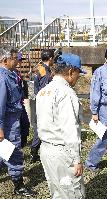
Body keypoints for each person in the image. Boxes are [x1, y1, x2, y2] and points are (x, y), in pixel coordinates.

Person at [36, 53, 86, 198]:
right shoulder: (66, 93)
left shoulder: (43, 91)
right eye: (78, 74)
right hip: (63, 153)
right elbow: (70, 129)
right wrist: (77, 159)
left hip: (46, 150)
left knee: (57, 191)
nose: (78, 78)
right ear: (71, 72)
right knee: (73, 193)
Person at [0, 46, 35, 197]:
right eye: (14, 59)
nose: (17, 61)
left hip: (15, 118)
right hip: (8, 121)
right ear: (5, 60)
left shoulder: (11, 74)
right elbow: (0, 105)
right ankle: (18, 184)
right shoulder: (2, 78)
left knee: (4, 151)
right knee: (14, 153)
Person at [30, 49, 55, 163]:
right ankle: (34, 152)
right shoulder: (44, 71)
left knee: (38, 127)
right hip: (40, 102)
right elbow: (44, 91)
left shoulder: (38, 67)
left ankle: (34, 151)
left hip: (34, 100)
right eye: (53, 58)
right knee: (41, 128)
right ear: (50, 58)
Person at [14, 52, 30, 148]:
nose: (20, 62)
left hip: (20, 103)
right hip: (15, 106)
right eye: (18, 60)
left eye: (20, 60)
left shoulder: (17, 73)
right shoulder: (9, 74)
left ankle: (21, 146)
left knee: (25, 126)